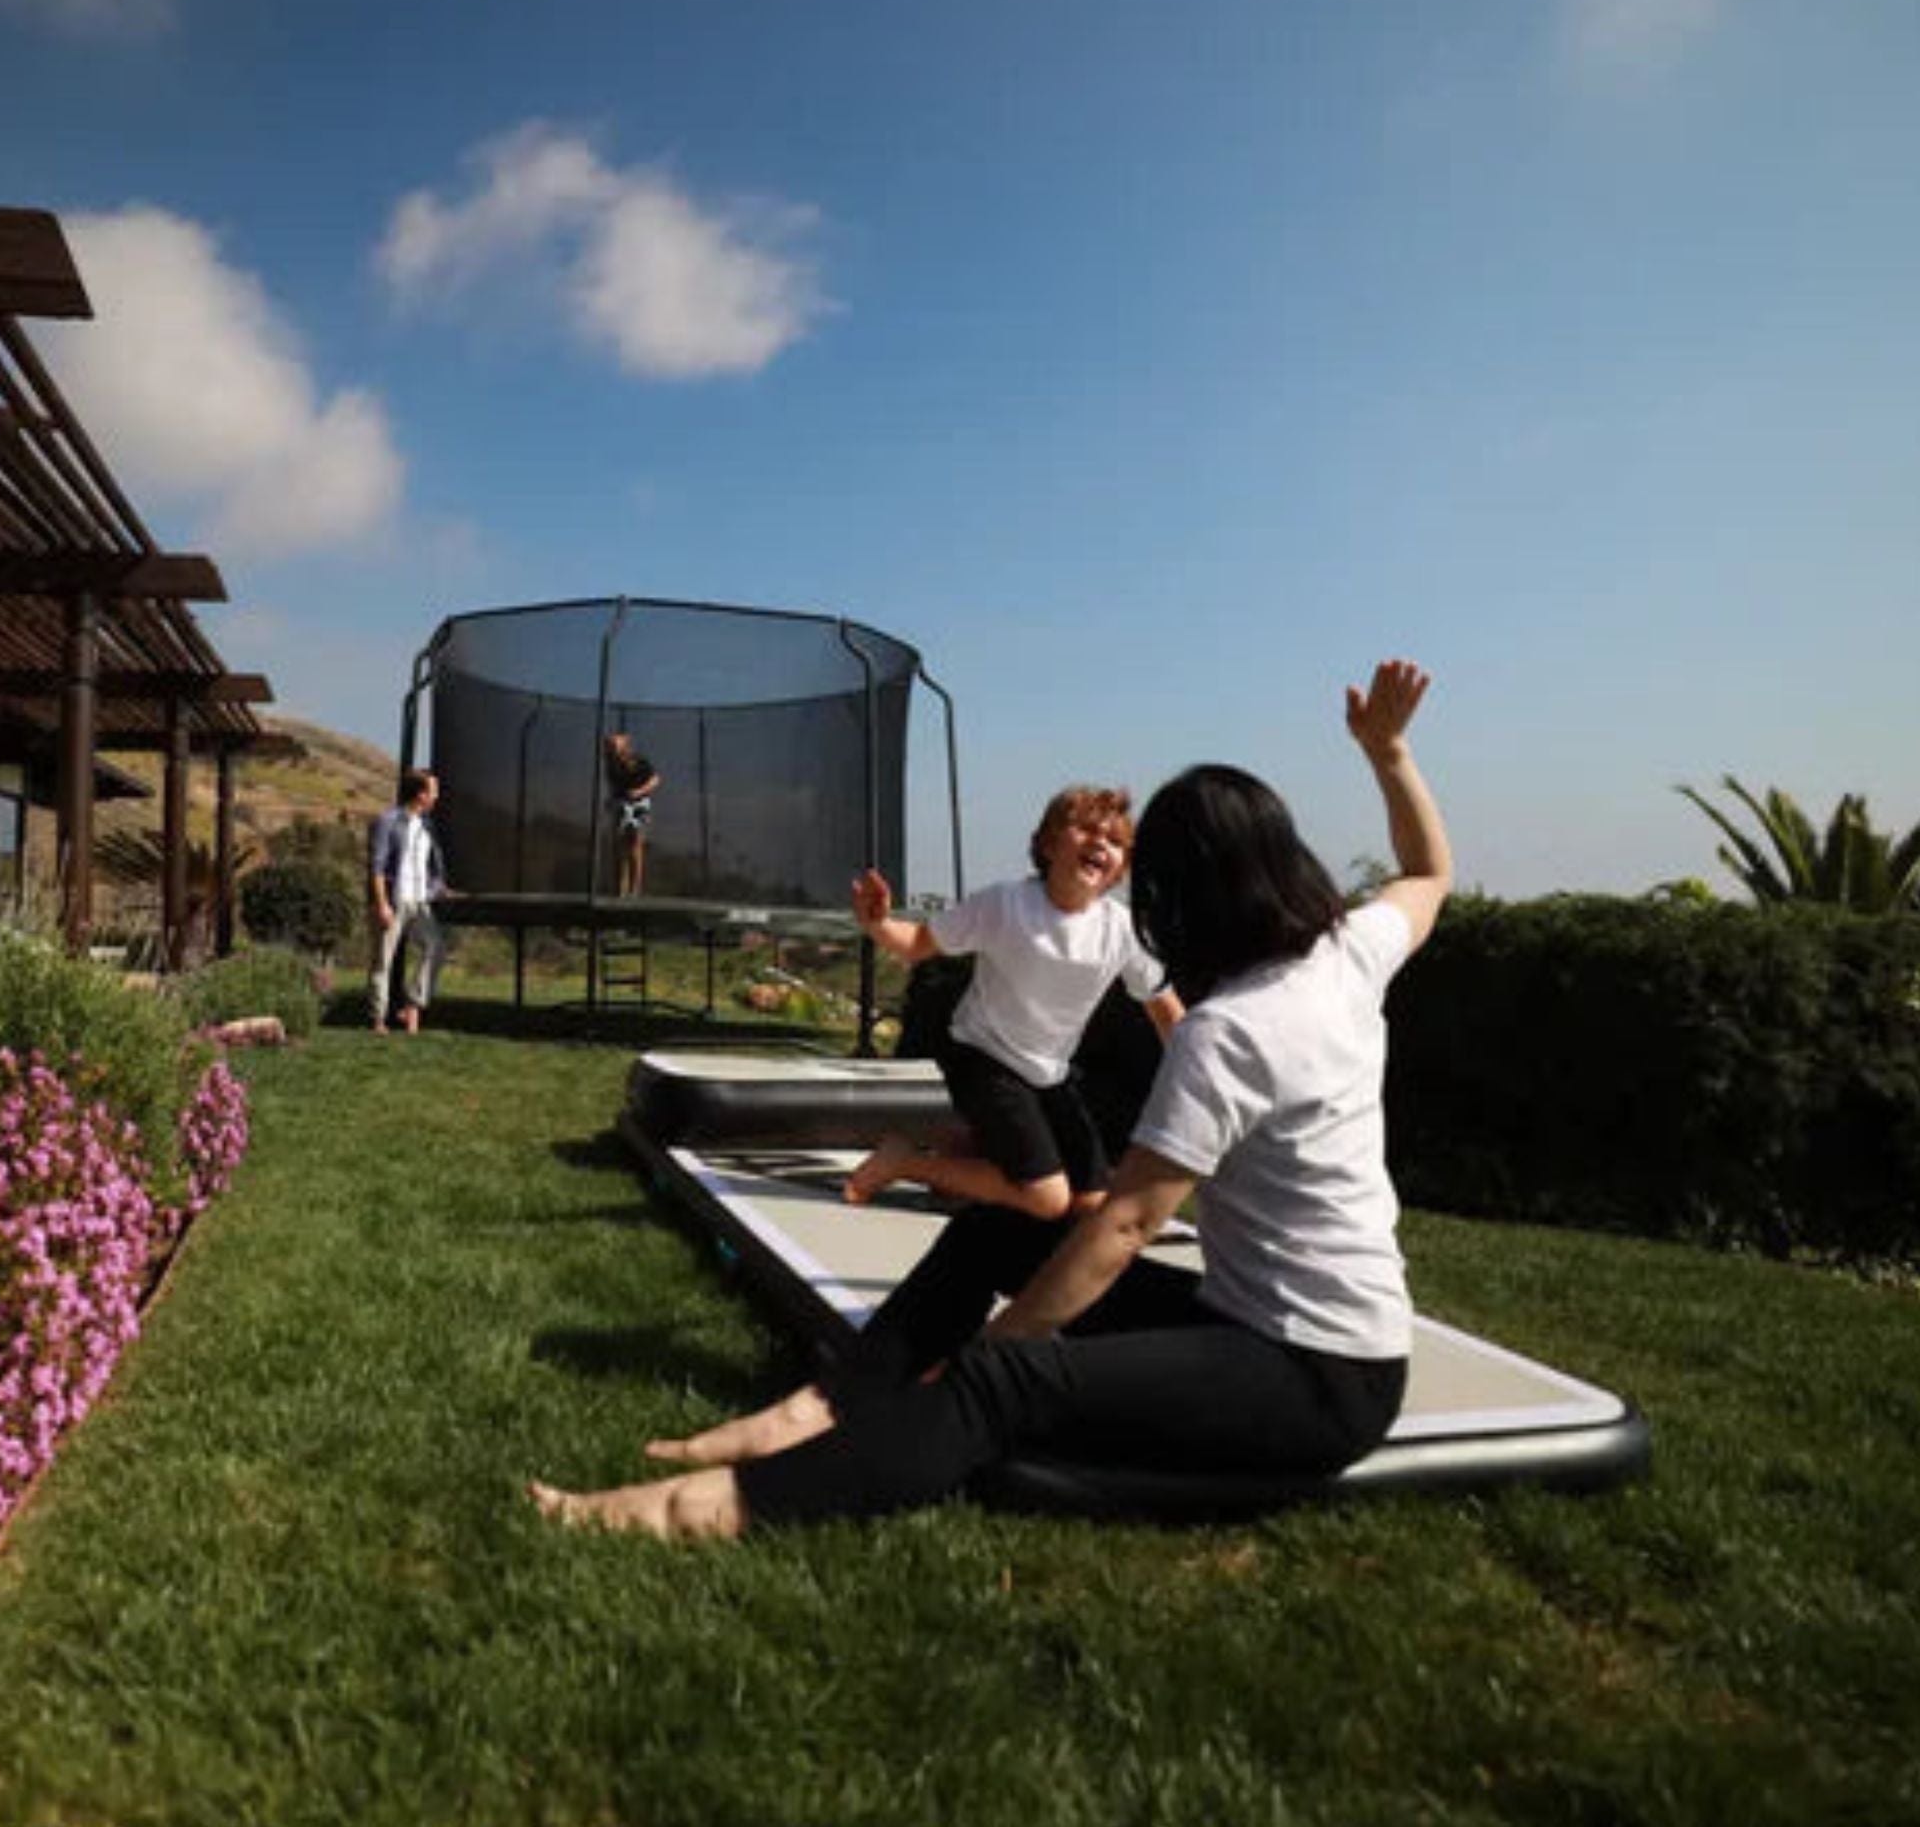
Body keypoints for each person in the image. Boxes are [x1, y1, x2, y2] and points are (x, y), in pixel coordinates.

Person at [529, 659, 1451, 1539]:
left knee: (1002, 1382)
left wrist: (997, 1349)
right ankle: (819, 1405)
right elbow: (1427, 875)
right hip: (1270, 1326)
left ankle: (710, 1507)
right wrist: (1390, 754)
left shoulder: (1234, 1030)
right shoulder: (1347, 953)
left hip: (1314, 1376)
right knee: (1004, 1228)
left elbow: (1123, 1226)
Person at [846, 786, 1184, 1220]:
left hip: (1049, 1073)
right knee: (1048, 1200)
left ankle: (963, 1151)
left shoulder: (1121, 930)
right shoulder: (1005, 904)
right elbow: (918, 944)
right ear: (1048, 843)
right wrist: (878, 923)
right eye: (1085, 830)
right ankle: (904, 1163)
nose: (1101, 843)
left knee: (1091, 1203)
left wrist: (1204, 1075)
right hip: (983, 1057)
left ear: (1121, 868)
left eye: (1115, 841)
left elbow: (1166, 1010)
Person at [368, 768, 449, 1035]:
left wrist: (437, 889)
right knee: (383, 961)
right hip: (394, 899)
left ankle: (413, 1005)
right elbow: (377, 866)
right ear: (420, 794)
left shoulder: (428, 825)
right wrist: (381, 904)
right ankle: (378, 1019)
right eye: (433, 791)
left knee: (435, 947)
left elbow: (431, 868)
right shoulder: (388, 820)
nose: (437, 796)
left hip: (419, 901)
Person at [602, 733, 661, 899]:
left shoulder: (639, 761)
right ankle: (620, 890)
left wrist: (639, 792)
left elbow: (656, 780)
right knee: (620, 847)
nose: (611, 747)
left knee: (635, 845)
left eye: (614, 744)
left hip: (640, 806)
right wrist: (611, 801)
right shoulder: (610, 764)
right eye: (608, 745)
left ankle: (634, 891)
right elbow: (616, 788)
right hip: (622, 806)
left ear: (624, 745)